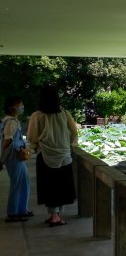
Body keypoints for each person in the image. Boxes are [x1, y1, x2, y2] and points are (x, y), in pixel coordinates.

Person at [26, 87, 79, 227]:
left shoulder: (37, 115)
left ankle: (54, 216)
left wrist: (33, 147)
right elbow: (74, 132)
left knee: (50, 186)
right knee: (62, 185)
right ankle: (57, 215)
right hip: (65, 156)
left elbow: (32, 136)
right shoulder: (65, 114)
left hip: (45, 155)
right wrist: (69, 146)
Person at [2, 96, 31, 222]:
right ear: (12, 108)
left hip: (16, 156)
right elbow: (7, 141)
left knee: (24, 182)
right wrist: (3, 158)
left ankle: (21, 210)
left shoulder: (11, 120)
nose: (22, 107)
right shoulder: (11, 122)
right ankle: (13, 212)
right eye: (19, 105)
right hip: (14, 157)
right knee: (17, 184)